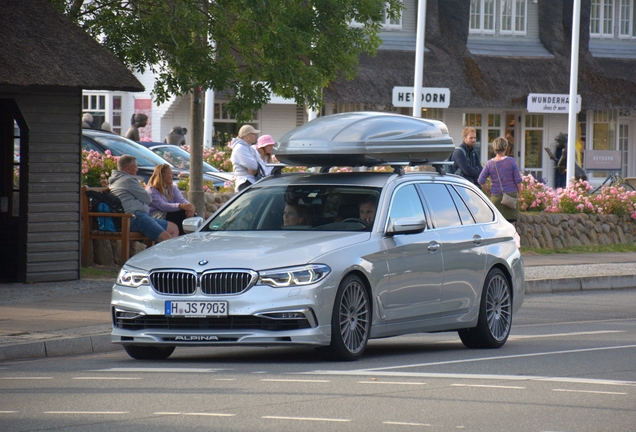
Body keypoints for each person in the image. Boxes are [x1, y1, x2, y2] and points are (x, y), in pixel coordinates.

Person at [109, 155, 179, 242]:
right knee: (166, 237)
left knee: (174, 228)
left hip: (140, 216)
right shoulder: (127, 180)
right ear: (127, 169)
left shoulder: (118, 180)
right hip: (135, 217)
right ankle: (165, 255)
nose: (137, 169)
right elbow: (147, 199)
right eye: (135, 167)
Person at [478, 137, 523, 225]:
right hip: (511, 196)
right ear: (506, 148)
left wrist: (488, 191)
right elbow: (518, 180)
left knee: (497, 224)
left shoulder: (489, 163)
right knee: (511, 224)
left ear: (494, 148)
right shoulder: (511, 161)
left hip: (496, 197)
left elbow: (481, 180)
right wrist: (519, 192)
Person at [146, 164, 196, 235]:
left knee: (190, 216)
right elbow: (163, 206)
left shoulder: (173, 188)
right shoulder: (151, 191)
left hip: (169, 214)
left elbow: (181, 200)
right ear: (162, 175)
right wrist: (181, 206)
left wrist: (190, 207)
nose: (172, 176)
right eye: (170, 174)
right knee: (180, 215)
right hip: (157, 216)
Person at [230, 125, 263, 192]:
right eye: (253, 134)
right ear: (246, 136)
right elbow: (253, 165)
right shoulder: (240, 148)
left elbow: (261, 164)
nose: (255, 136)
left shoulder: (250, 148)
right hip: (244, 181)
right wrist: (256, 167)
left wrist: (256, 169)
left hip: (252, 180)